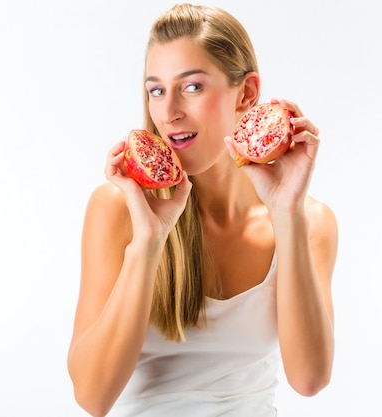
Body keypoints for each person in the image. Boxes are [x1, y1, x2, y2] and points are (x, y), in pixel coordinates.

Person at [67, 4, 338, 416]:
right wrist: (149, 241)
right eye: (156, 90)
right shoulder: (118, 208)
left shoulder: (311, 221)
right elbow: (92, 396)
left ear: (246, 93)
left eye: (191, 87)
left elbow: (310, 378)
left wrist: (287, 213)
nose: (169, 112)